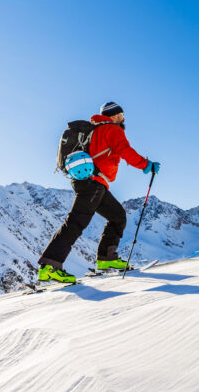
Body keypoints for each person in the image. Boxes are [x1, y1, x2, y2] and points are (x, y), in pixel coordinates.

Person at [37, 101, 160, 283]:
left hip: (94, 182)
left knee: (117, 216)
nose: (123, 118)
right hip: (92, 183)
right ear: (114, 116)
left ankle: (106, 258)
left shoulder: (96, 130)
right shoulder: (112, 129)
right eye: (121, 115)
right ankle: (50, 266)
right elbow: (125, 150)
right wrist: (146, 165)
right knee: (76, 222)